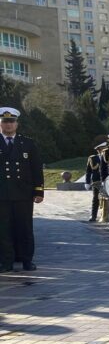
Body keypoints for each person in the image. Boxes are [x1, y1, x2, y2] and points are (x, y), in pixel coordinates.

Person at [0, 107, 43, 273]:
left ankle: (27, 260)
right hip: (2, 194)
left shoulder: (28, 143)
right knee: (3, 230)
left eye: (11, 122)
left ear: (17, 124)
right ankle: (6, 262)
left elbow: (36, 168)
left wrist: (38, 191)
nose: (8, 125)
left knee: (25, 228)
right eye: (5, 122)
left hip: (23, 194)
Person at [85, 143, 106, 222]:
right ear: (99, 150)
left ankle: (108, 215)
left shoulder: (108, 157)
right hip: (96, 181)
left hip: (106, 180)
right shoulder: (93, 158)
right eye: (102, 150)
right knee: (96, 198)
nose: (104, 151)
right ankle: (93, 215)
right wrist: (87, 182)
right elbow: (88, 171)